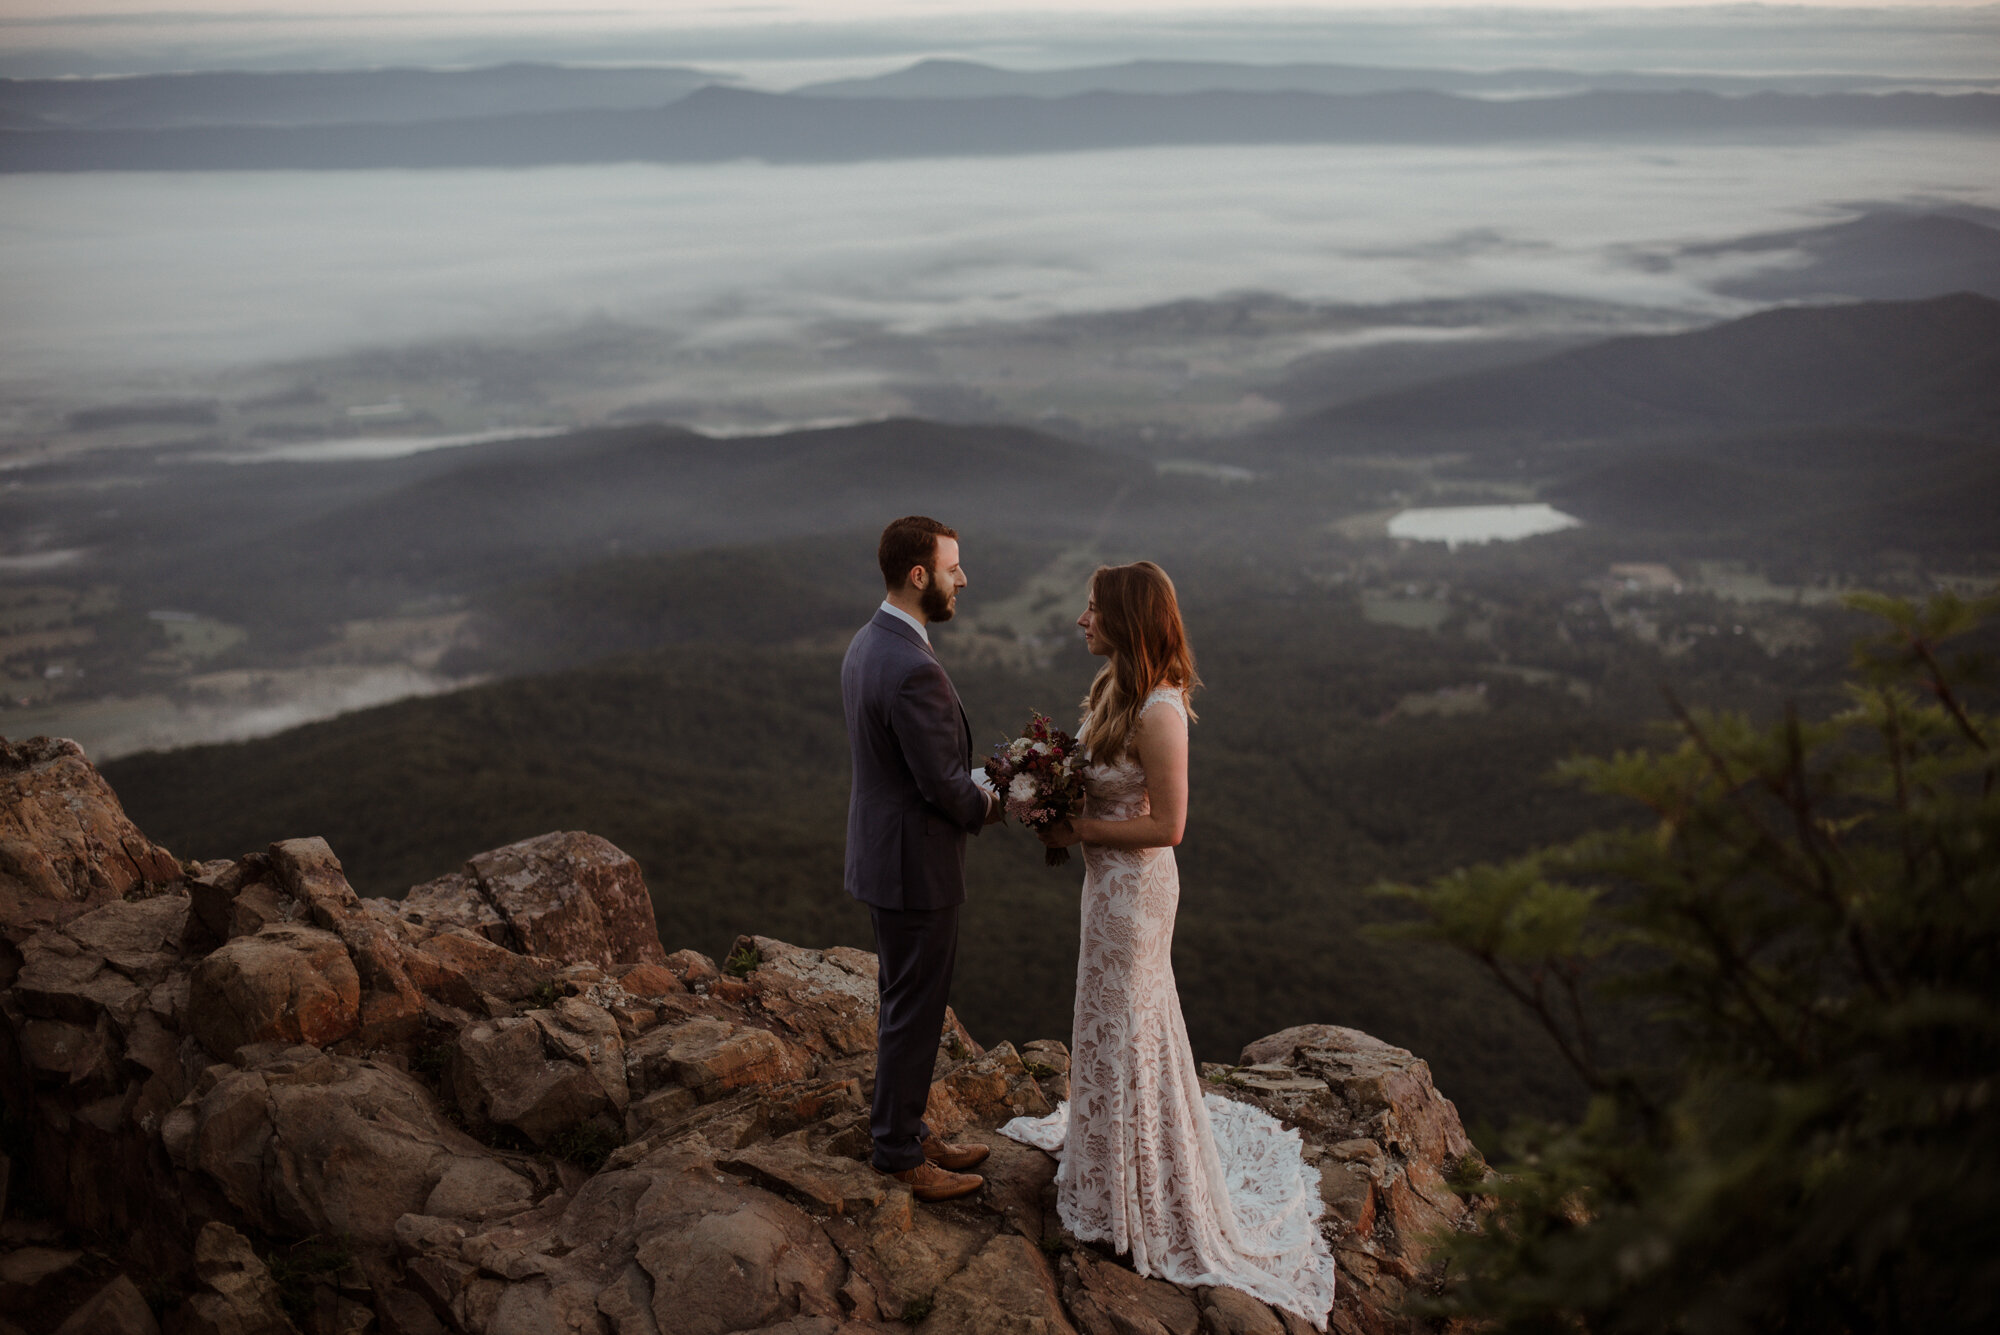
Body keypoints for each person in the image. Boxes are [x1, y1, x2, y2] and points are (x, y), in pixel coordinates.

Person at [1000, 561, 1337, 1328]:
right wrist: (1042, 780)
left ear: (1126, 618)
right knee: (1107, 1015)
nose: (1082, 620)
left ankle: (1138, 1185)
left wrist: (1073, 825)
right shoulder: (1113, 689)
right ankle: (1108, 1160)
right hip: (1104, 887)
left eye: (1093, 609)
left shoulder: (1159, 708)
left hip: (1137, 894)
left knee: (1129, 1020)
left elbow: (1169, 827)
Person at [841, 515, 1004, 1203]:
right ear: (919, 575)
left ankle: (903, 1124)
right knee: (914, 1007)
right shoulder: (911, 667)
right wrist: (1001, 793)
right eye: (952, 567)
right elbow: (946, 789)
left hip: (884, 856)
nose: (962, 578)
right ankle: (899, 1152)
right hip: (915, 866)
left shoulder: (868, 641)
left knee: (901, 1002)